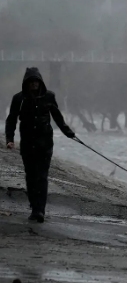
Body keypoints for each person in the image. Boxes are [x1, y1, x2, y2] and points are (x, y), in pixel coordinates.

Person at [5, 67, 76, 223]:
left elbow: (57, 116)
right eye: (31, 82)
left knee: (42, 177)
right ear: (26, 83)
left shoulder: (49, 96)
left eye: (36, 81)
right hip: (27, 144)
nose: (34, 84)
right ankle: (34, 206)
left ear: (40, 82)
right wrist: (9, 139)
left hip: (45, 144)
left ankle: (40, 211)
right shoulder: (19, 99)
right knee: (31, 177)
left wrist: (68, 132)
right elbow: (11, 120)